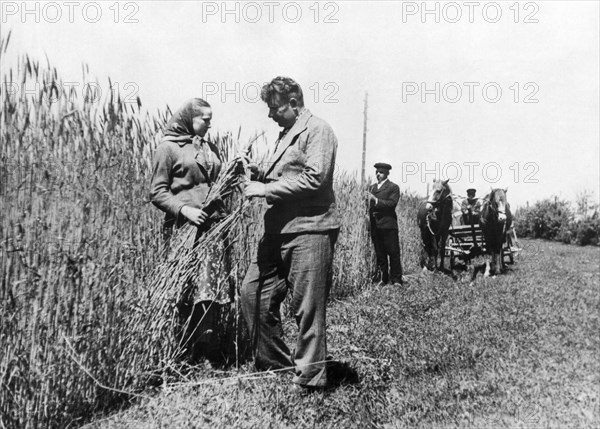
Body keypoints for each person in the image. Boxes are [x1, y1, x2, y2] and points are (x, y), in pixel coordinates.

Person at [240, 76, 341, 390]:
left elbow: (315, 179)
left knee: (307, 308)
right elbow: (287, 173)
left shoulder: (318, 130)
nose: (270, 115)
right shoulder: (285, 135)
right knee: (252, 294)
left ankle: (311, 379)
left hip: (310, 230)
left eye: (275, 108)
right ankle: (277, 363)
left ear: (294, 104)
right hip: (277, 232)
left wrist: (265, 188)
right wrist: (259, 172)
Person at [150, 98, 230, 363]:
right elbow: (157, 192)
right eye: (204, 119)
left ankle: (208, 347)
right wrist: (185, 210)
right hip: (183, 230)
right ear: (189, 118)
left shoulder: (210, 147)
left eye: (210, 119)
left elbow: (219, 183)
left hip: (213, 228)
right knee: (184, 291)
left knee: (210, 290)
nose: (209, 123)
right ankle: (182, 350)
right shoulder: (168, 148)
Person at [366, 163, 403, 286]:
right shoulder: (371, 188)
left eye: (381, 172)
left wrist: (375, 200)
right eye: (377, 172)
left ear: (387, 173)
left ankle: (396, 279)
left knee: (393, 252)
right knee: (380, 253)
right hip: (375, 225)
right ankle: (384, 278)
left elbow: (392, 204)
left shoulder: (393, 187)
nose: (378, 174)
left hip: (388, 225)